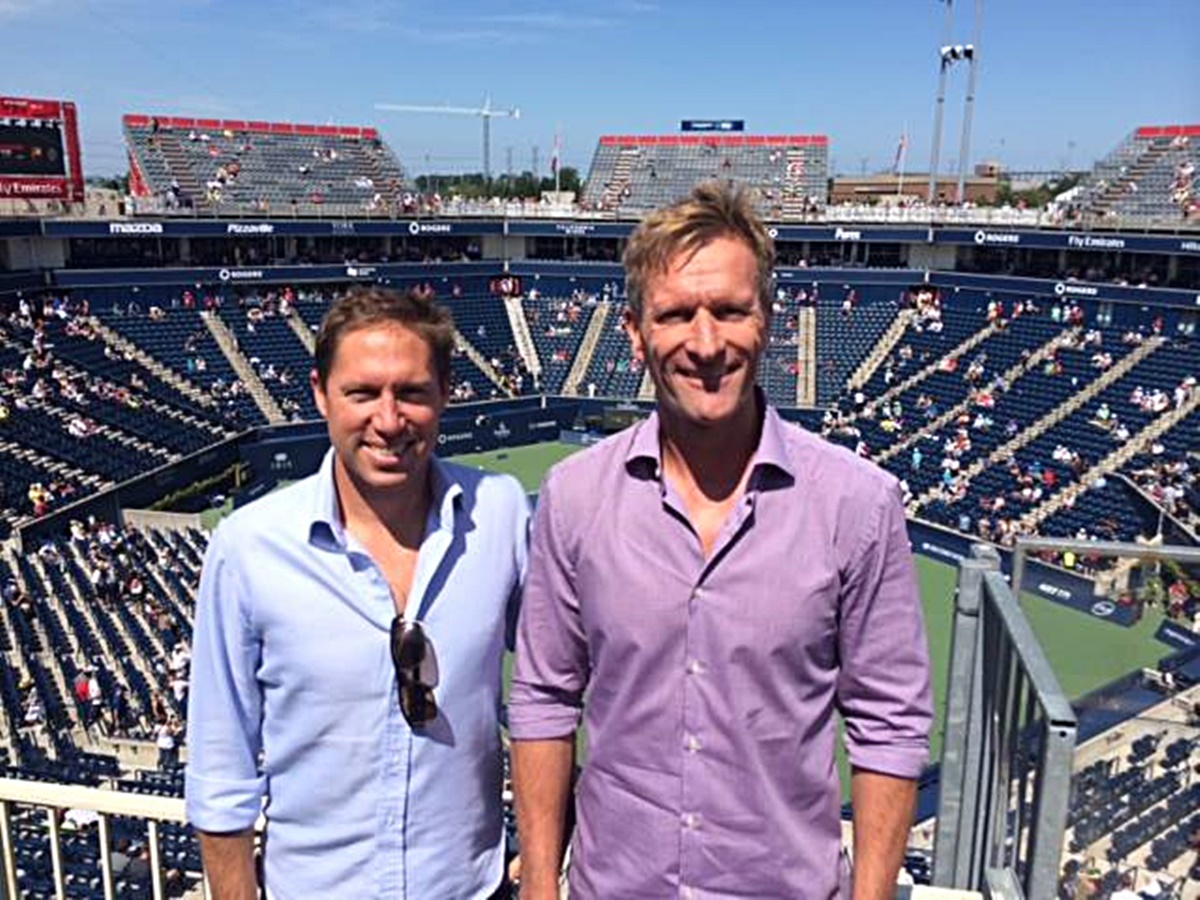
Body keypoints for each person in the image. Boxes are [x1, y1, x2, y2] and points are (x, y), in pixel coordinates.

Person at [509, 183, 933, 899]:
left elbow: (889, 721)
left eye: (730, 311)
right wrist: (542, 886)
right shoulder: (574, 496)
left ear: (767, 319)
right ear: (637, 332)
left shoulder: (857, 503)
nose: (706, 344)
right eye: (676, 314)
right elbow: (545, 698)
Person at [186, 286, 529, 899]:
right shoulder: (248, 547)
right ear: (321, 393)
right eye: (363, 392)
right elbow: (221, 760)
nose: (389, 419)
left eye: (413, 392)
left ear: (446, 393)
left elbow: (556, 687)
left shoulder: (501, 513)